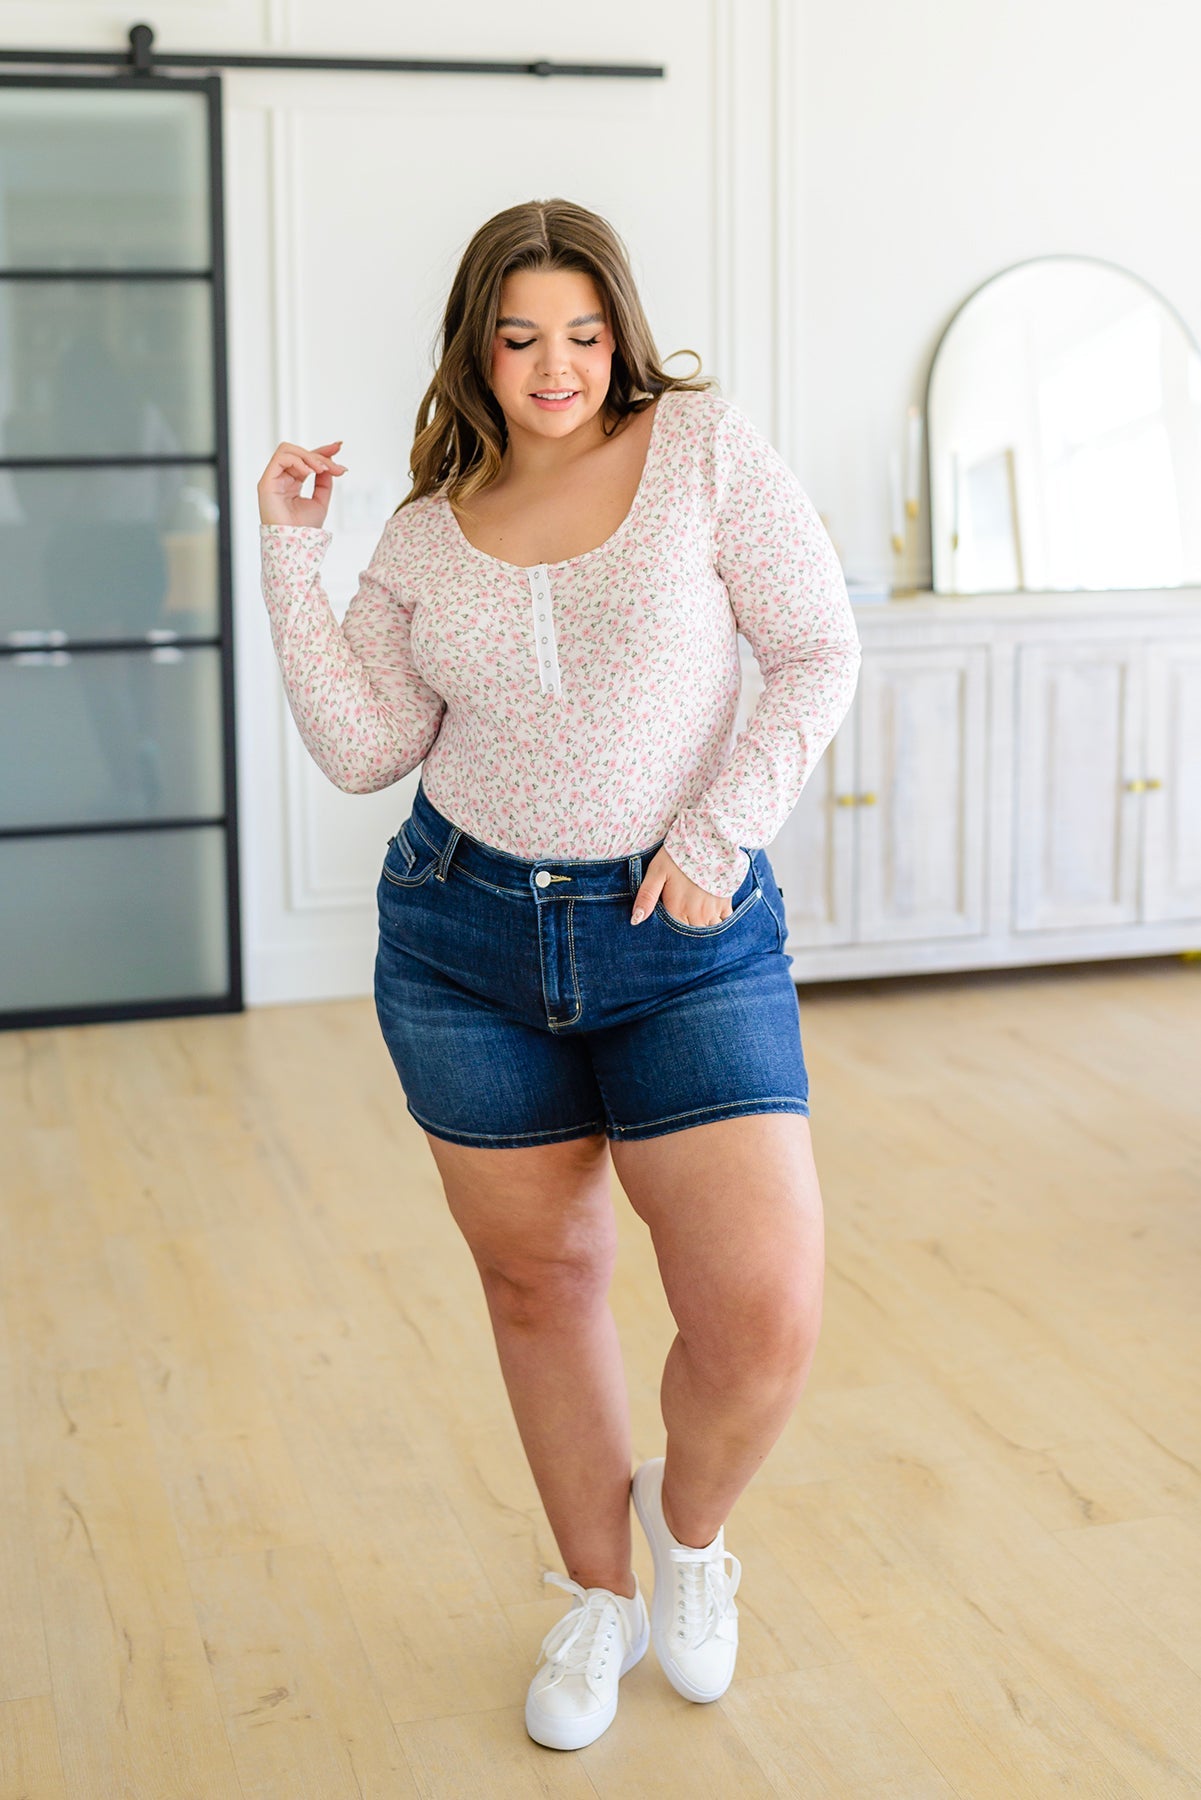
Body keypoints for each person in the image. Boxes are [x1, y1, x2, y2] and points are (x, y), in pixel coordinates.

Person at [257, 197, 861, 1753]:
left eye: (583, 334)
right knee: (540, 1285)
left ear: (619, 334)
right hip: (461, 943)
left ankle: (688, 1534)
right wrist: (290, 552)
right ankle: (599, 1596)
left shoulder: (701, 452)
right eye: (520, 337)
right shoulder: (423, 531)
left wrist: (719, 833)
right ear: (476, 349)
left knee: (763, 1316)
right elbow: (364, 749)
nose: (555, 367)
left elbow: (815, 648)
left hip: (684, 938)